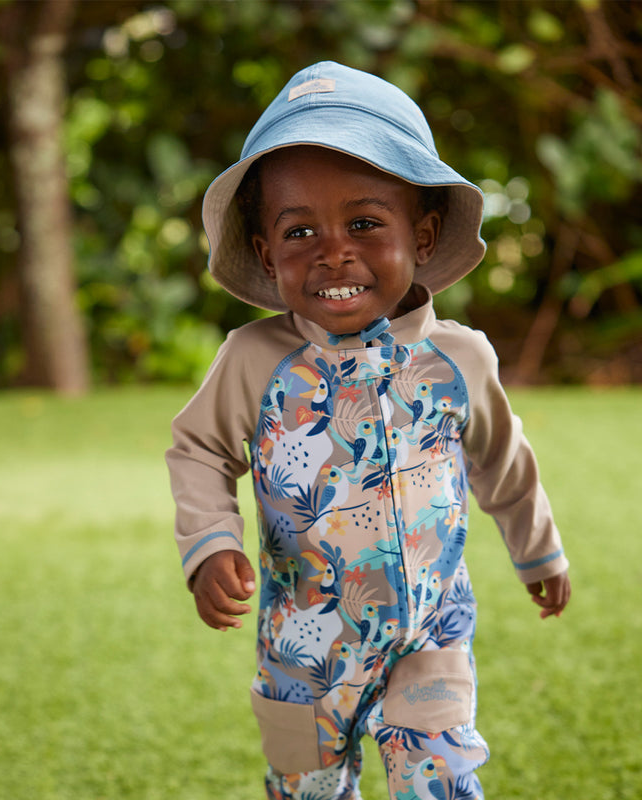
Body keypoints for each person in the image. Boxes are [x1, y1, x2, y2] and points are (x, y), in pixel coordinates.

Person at [166, 61, 570, 800]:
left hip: (430, 637)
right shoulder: (253, 363)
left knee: (443, 782)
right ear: (264, 253)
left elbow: (503, 461)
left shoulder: (459, 359)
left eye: (363, 223)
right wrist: (209, 543)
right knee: (307, 786)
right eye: (299, 231)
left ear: (421, 235)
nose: (332, 250)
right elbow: (197, 450)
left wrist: (536, 547)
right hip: (304, 649)